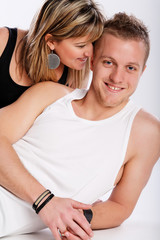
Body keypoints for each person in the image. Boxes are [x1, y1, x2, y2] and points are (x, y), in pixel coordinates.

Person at [0, 12, 160, 240]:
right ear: (92, 60)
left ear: (143, 71)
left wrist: (76, 219)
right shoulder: (50, 94)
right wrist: (45, 202)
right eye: (109, 62)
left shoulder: (147, 132)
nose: (117, 77)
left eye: (130, 68)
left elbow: (121, 206)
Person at [0, 0, 104, 108]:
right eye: (80, 45)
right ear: (51, 41)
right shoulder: (3, 41)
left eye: (93, 42)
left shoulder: (78, 70)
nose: (91, 53)